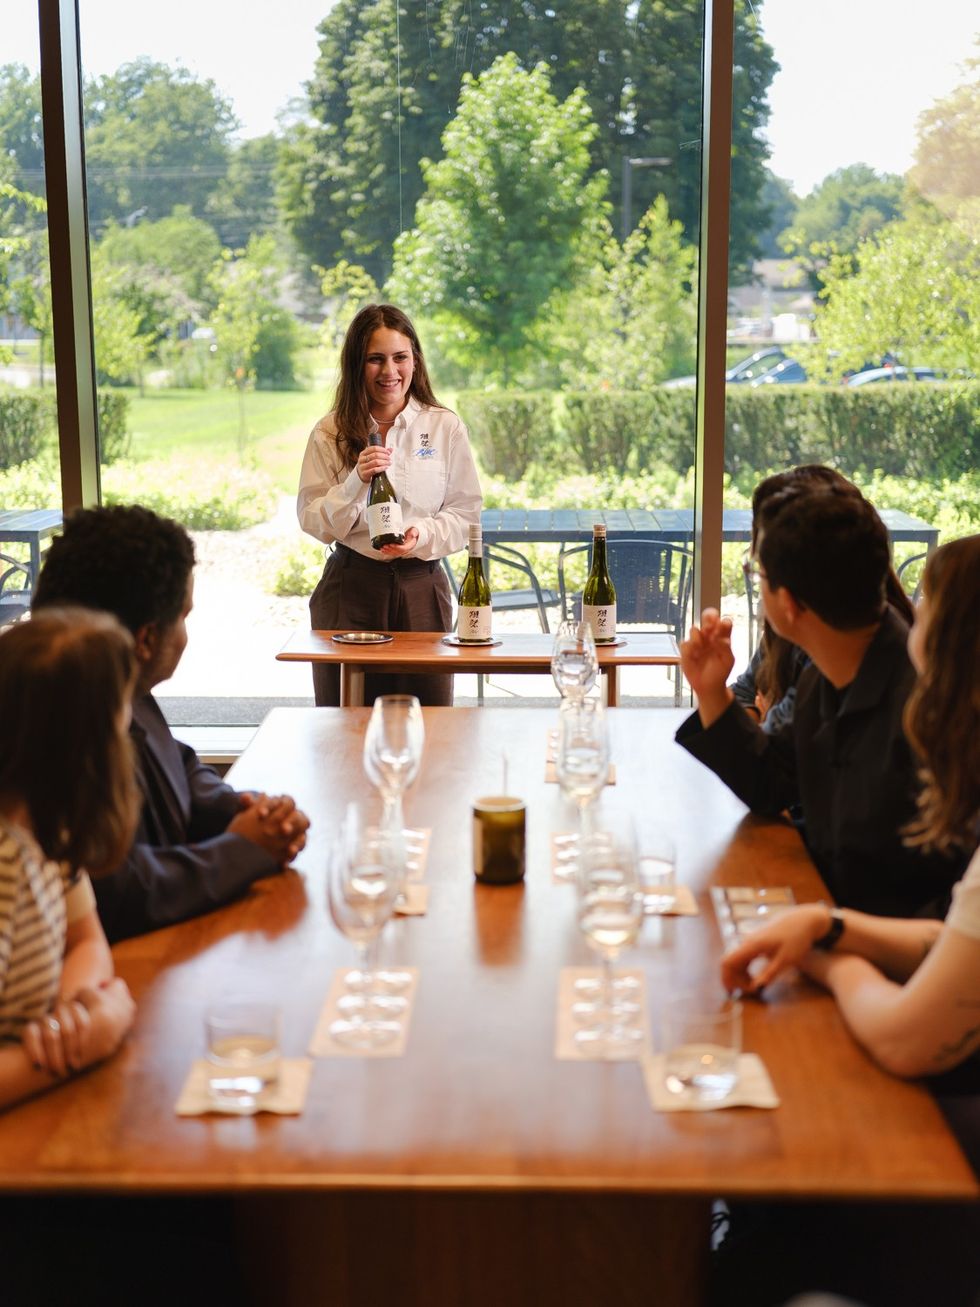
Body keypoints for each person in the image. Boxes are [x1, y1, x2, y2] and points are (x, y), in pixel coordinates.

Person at [712, 538, 980, 1307]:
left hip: (953, 1158)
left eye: (925, 609)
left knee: (764, 1266)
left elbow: (904, 1034)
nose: (907, 616)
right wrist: (826, 925)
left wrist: (825, 955)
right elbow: (952, 943)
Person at [677, 483, 965, 918]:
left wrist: (835, 943)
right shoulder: (826, 673)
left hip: (894, 965)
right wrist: (712, 691)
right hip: (821, 922)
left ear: (789, 604)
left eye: (759, 575)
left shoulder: (926, 709)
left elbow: (950, 905)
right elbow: (769, 779)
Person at [32, 505, 309, 943]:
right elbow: (121, 894)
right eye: (184, 617)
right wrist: (243, 849)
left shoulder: (127, 690)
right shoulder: (50, 733)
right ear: (145, 639)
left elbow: (176, 764)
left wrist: (239, 811)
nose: (185, 636)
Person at [298, 302, 482, 706]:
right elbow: (314, 522)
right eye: (375, 359)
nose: (389, 371)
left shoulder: (443, 426)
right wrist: (354, 482)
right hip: (350, 588)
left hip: (423, 589)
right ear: (356, 365)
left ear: (415, 360)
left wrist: (421, 535)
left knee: (428, 725)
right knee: (343, 722)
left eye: (400, 357)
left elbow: (466, 514)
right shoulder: (329, 433)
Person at [0, 608, 138, 1109]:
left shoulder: (45, 821)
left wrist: (70, 1015)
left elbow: (86, 938)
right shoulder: (5, 859)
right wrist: (86, 1041)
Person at [730, 465, 914, 732]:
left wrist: (767, 720)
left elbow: (775, 756)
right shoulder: (803, 631)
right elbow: (745, 694)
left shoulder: (836, 649)